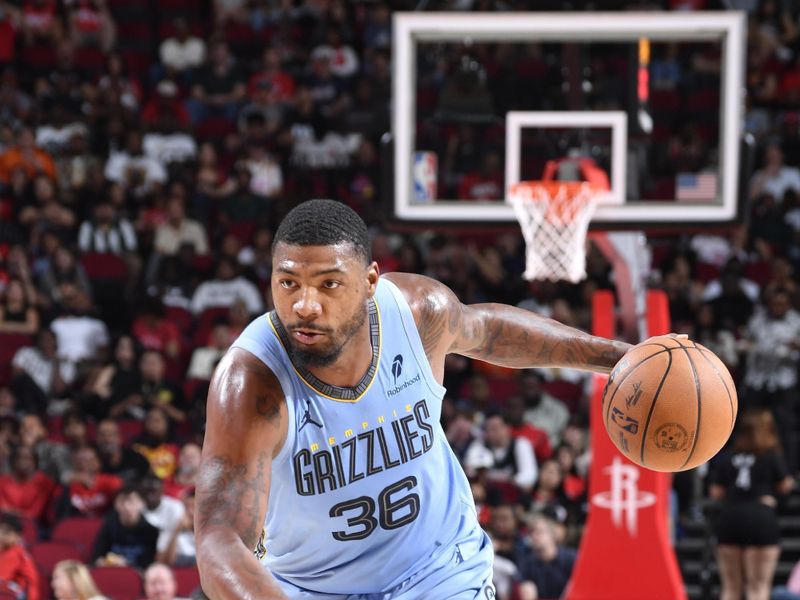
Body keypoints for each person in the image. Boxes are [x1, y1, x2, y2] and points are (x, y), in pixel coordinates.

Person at [195, 199, 632, 598]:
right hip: (311, 589)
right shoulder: (251, 383)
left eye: (328, 284)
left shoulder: (416, 314)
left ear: (369, 282)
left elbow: (489, 332)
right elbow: (219, 539)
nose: (305, 305)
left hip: (438, 571)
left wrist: (617, 357)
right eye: (288, 283)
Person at [710, 409, 794, 600]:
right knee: (758, 587)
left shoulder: (729, 456)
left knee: (730, 589)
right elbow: (786, 484)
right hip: (760, 516)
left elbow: (715, 492)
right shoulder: (771, 455)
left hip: (731, 516)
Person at [92, 485, 159, 569]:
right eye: (122, 501)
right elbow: (96, 557)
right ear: (115, 504)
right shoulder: (108, 527)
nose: (127, 507)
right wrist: (100, 562)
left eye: (131, 502)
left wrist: (127, 564)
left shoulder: (151, 531)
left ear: (142, 503)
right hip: (111, 573)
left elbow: (150, 564)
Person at [0, 511, 40, 600]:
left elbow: (2, 578)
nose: (2, 535)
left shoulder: (15, 552)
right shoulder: (5, 549)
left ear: (18, 537)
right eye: (1, 530)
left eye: (7, 532)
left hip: (22, 594)